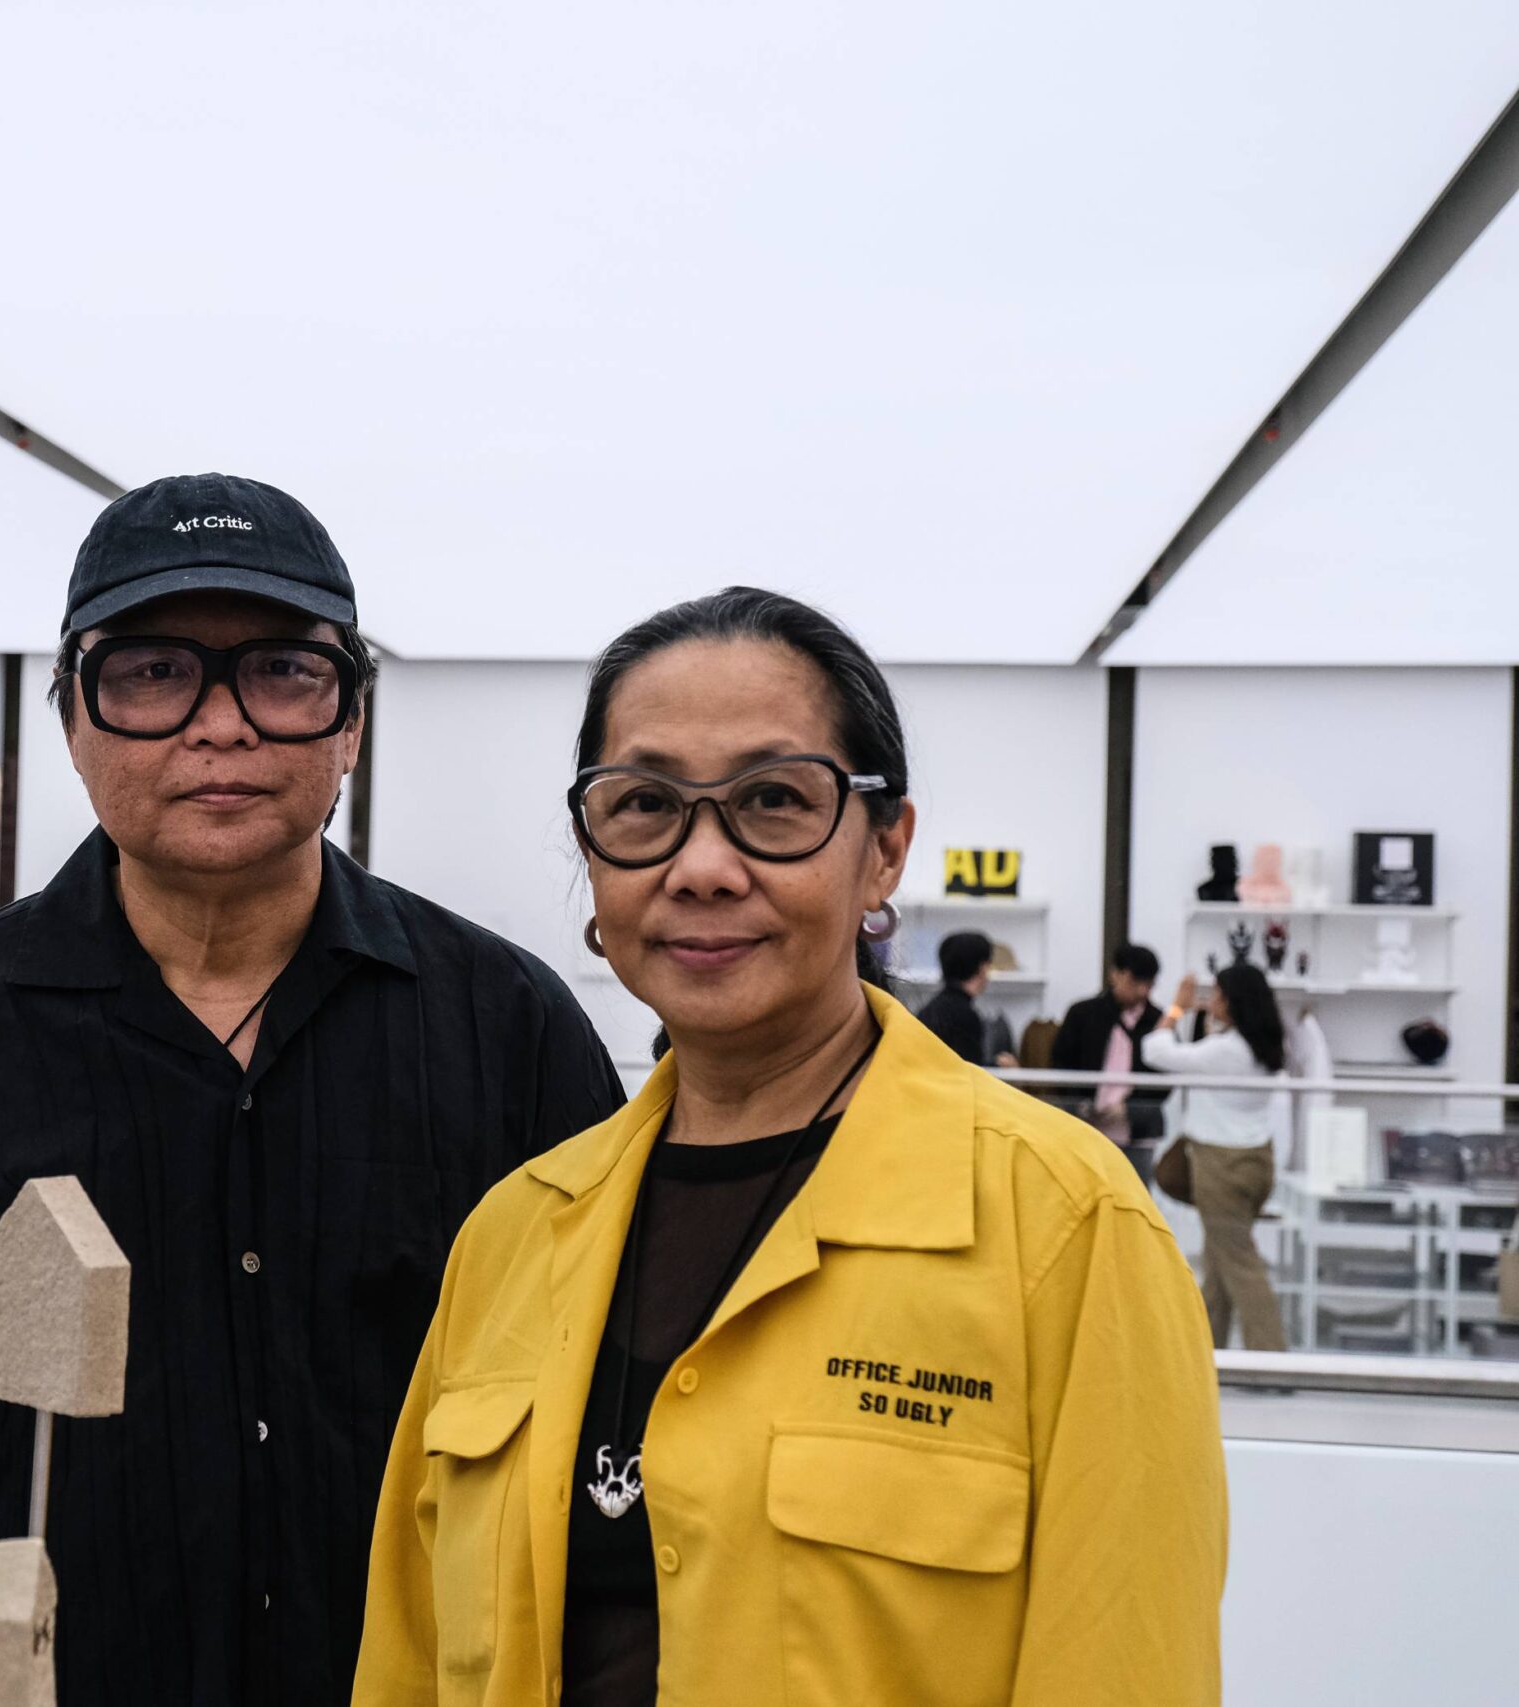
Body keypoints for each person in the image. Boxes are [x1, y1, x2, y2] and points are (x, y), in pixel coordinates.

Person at [0, 472, 625, 1706]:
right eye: (150, 673)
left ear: (351, 721)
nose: (220, 725)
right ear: (71, 720)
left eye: (282, 672)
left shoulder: (502, 1025)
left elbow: (602, 1449)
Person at [355, 588, 1226, 1707]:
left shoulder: (1058, 1227)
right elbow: (408, 1662)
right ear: (593, 852)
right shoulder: (513, 1233)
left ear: (883, 852)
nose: (703, 865)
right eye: (644, 805)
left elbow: (1123, 1668)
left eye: (772, 800)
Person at [1144, 962, 1290, 1352]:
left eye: (1219, 995)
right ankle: (1211, 1353)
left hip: (1221, 1166)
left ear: (1235, 1001)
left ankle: (1273, 1362)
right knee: (1220, 1263)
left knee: (1240, 1266)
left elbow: (1154, 1051)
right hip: (1255, 1161)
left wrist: (1177, 1009)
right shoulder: (1261, 1047)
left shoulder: (1226, 1051)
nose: (1212, 1002)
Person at [1052, 943, 1168, 1169]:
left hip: (1137, 1130)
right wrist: (1082, 1103)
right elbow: (1062, 1062)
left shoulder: (1156, 1020)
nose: (1142, 992)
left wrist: (1130, 1108)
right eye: (1135, 982)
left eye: (1149, 985)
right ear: (1115, 975)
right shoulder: (1083, 1013)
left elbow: (1165, 1077)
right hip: (1085, 1124)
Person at [914, 929, 1017, 1067]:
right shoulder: (965, 1016)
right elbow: (966, 1071)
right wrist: (998, 1065)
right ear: (982, 968)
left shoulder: (930, 1009)